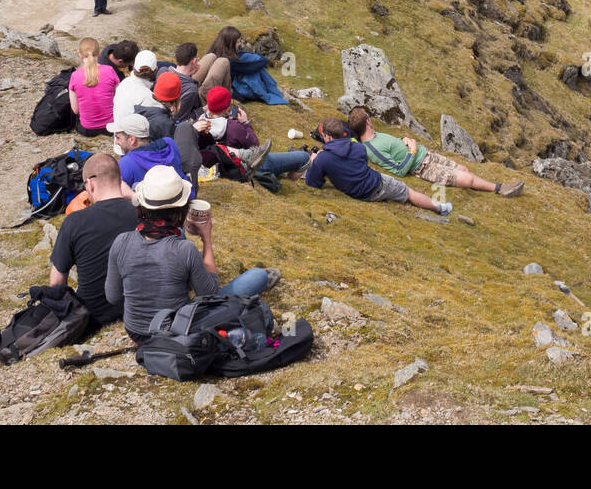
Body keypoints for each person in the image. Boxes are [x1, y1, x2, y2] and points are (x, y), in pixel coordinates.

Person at [103, 164, 278, 343]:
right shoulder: (185, 249)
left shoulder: (121, 241)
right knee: (257, 276)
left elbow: (113, 296)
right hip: (177, 331)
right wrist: (206, 238)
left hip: (136, 332)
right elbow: (209, 293)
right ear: (182, 207)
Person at [49, 153, 137, 334]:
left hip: (94, 316)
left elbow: (57, 281)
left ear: (90, 184)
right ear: (120, 180)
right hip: (137, 306)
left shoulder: (74, 221)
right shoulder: (142, 214)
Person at [348, 107, 522, 197]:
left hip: (427, 155)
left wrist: (404, 140)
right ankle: (500, 189)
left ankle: (497, 187)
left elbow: (393, 146)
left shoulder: (376, 135)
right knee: (467, 179)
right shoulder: (371, 149)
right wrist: (412, 150)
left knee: (462, 169)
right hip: (423, 167)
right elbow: (399, 170)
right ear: (368, 122)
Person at [305, 117, 451, 214]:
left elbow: (312, 182)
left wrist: (314, 161)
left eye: (323, 135)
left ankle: (439, 207)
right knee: (409, 193)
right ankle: (440, 207)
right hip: (374, 182)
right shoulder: (358, 148)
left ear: (328, 137)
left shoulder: (323, 158)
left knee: (407, 192)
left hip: (363, 191)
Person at [108, 114, 190, 199]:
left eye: (118, 138)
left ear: (132, 139)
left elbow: (115, 198)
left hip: (149, 210)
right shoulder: (169, 144)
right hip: (180, 202)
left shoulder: (127, 163)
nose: (116, 142)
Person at [70, 37, 120, 136]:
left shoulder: (75, 75)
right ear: (99, 53)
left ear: (80, 55)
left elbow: (75, 110)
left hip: (87, 129)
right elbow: (120, 98)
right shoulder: (109, 70)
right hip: (111, 127)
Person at [113, 49, 158, 125]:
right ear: (156, 69)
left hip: (117, 132)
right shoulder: (150, 99)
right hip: (131, 135)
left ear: (133, 67)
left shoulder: (123, 84)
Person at [171, 43, 202, 113]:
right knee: (223, 62)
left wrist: (190, 74)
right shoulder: (191, 90)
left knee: (210, 56)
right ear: (194, 61)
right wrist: (204, 109)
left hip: (186, 81)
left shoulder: (163, 70)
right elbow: (182, 117)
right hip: (196, 103)